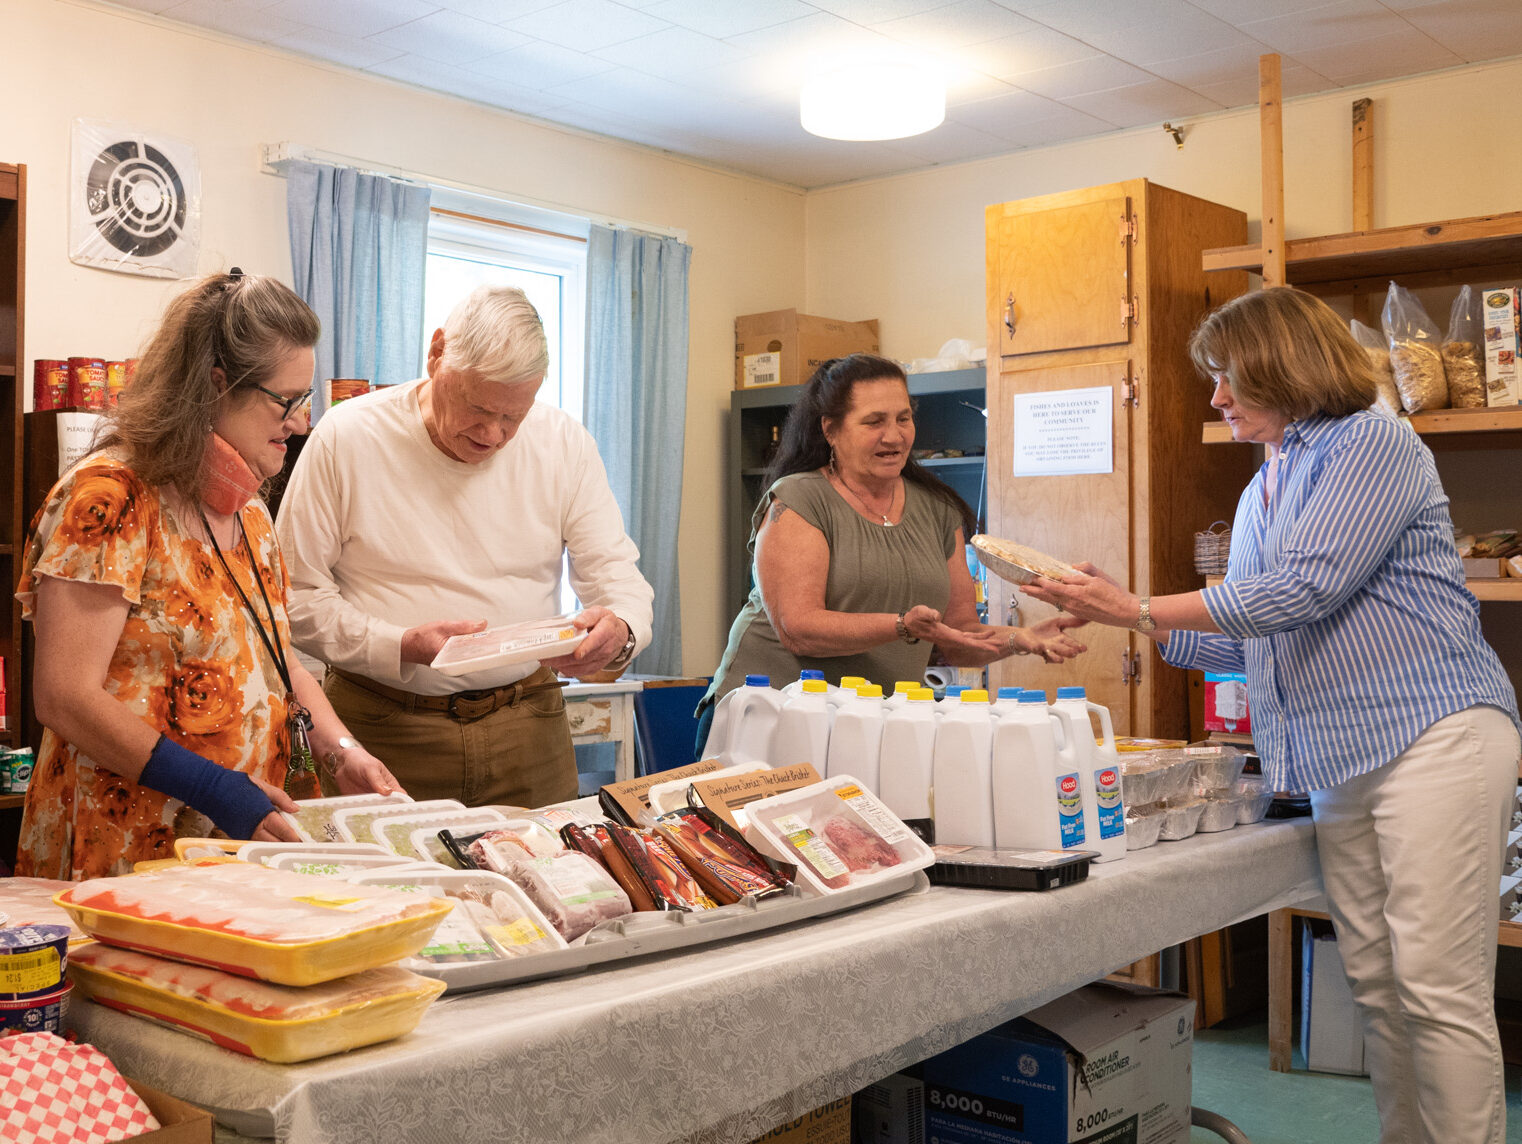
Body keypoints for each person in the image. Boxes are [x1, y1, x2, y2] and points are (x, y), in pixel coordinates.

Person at [1023, 287, 1520, 1144]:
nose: (1216, 399)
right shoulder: (1265, 487)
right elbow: (1248, 638)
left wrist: (1140, 606)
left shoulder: (1374, 441)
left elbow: (1301, 590)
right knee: (1378, 985)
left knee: (1438, 987)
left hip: (1431, 737)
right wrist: (1112, 619)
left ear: (1285, 367)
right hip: (1339, 757)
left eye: (1228, 378)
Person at [16, 269, 400, 881]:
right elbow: (65, 695)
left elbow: (280, 663)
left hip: (234, 849)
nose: (301, 423)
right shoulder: (109, 498)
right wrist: (217, 790)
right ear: (215, 385)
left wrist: (342, 750)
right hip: (121, 849)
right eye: (286, 401)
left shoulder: (248, 509)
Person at [277, 285, 653, 809]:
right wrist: (401, 644)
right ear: (436, 355)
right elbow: (294, 599)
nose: (494, 434)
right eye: (478, 408)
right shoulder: (348, 437)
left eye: (513, 417)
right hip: (384, 724)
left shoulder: (563, 441)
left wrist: (622, 630)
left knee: (553, 881)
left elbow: (617, 576)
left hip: (528, 722)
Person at [699, 353, 1087, 749]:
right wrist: (901, 625)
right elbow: (800, 630)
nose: (894, 435)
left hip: (875, 726)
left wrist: (1020, 638)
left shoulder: (938, 509)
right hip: (769, 719)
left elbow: (959, 636)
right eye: (874, 421)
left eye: (903, 419)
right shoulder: (797, 499)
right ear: (831, 430)